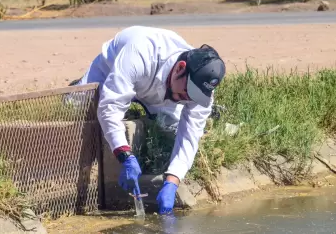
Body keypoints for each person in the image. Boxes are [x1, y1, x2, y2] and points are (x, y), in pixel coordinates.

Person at [71, 26, 226, 215]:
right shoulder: (140, 53)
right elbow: (109, 109)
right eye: (187, 93)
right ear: (180, 68)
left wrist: (173, 181)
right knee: (75, 106)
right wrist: (124, 154)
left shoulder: (200, 88)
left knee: (170, 125)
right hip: (115, 71)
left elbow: (190, 135)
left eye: (193, 97)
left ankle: (147, 103)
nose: (188, 100)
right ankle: (78, 85)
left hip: (161, 88)